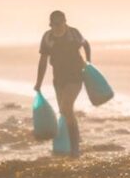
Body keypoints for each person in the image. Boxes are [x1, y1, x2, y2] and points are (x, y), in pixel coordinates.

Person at [34, 11, 91, 157]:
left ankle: (75, 149)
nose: (58, 26)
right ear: (51, 24)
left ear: (65, 21)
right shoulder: (47, 38)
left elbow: (86, 44)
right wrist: (38, 83)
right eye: (55, 24)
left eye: (61, 23)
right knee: (64, 111)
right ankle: (70, 143)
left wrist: (89, 63)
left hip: (75, 76)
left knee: (66, 107)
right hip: (58, 79)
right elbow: (43, 61)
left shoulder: (73, 33)